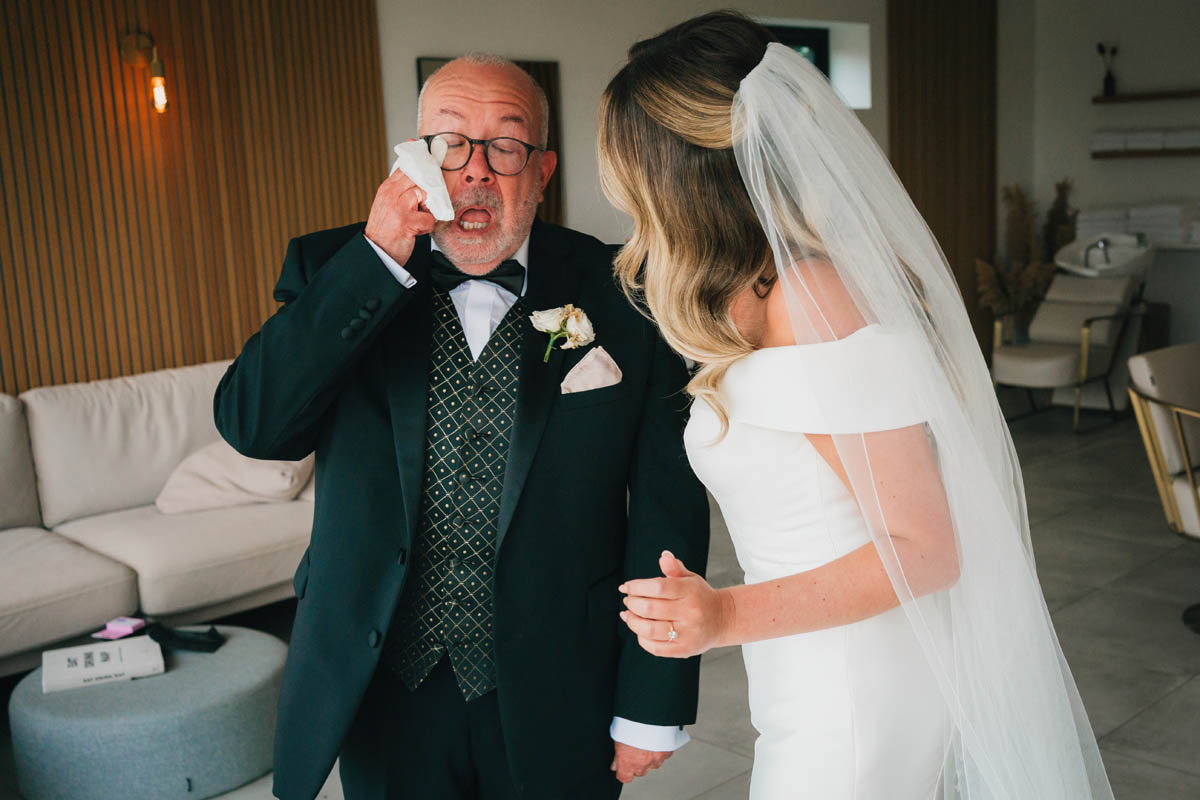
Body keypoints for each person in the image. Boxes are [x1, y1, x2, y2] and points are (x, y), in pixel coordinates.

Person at [598, 12, 1114, 800]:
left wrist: (723, 616)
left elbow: (927, 546)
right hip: (810, 663)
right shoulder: (751, 288)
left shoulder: (811, 296)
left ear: (681, 173)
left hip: (857, 684)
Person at [213, 52, 708, 800]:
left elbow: (668, 511)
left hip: (560, 686)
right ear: (412, 159)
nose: (475, 169)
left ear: (542, 172)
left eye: (505, 145)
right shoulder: (335, 267)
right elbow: (255, 426)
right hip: (382, 685)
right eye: (449, 143)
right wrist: (376, 259)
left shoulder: (627, 293)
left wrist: (652, 704)